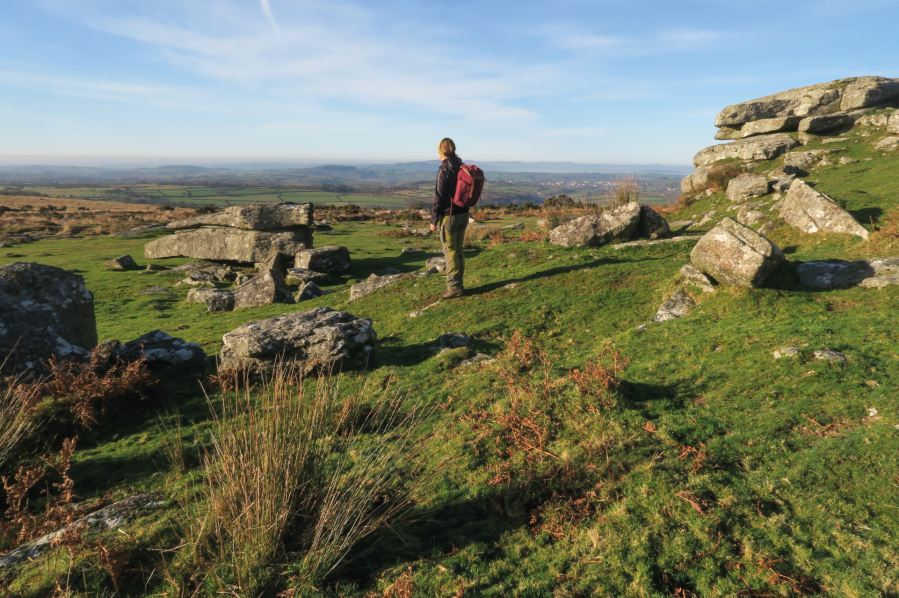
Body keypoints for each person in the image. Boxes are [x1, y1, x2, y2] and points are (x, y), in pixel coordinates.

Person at [429, 138, 468, 299]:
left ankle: (454, 287)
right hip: (464, 214)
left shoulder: (444, 170)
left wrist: (433, 220)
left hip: (450, 216)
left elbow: (438, 197)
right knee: (458, 250)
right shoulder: (462, 166)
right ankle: (458, 284)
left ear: (440, 152)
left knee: (450, 251)